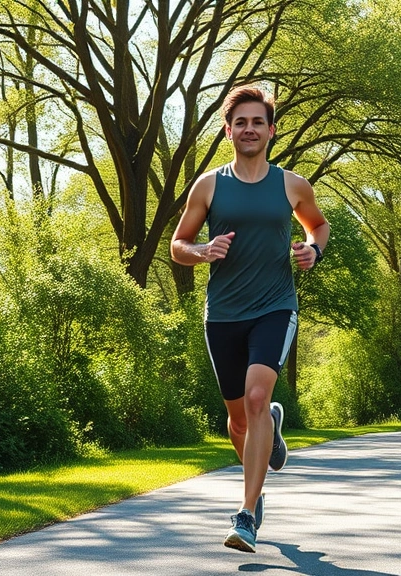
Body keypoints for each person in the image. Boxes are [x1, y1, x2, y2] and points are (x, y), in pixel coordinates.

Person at [170, 85, 329, 553]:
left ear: (270, 130)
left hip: (275, 307)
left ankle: (247, 512)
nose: (249, 128)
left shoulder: (291, 185)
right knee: (238, 421)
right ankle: (265, 452)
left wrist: (312, 251)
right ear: (228, 130)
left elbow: (318, 225)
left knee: (258, 397)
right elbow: (179, 244)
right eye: (240, 122)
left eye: (257, 121)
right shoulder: (210, 185)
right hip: (223, 315)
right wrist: (202, 251)